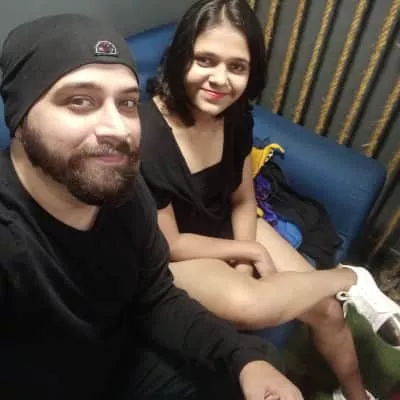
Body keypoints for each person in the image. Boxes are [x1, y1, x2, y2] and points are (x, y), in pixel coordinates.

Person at [0, 13, 308, 400]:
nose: (117, 129)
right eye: (80, 101)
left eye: (127, 103)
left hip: (122, 364)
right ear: (19, 118)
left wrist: (243, 358)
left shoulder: (124, 191)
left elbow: (155, 296)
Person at [139, 0, 400, 399]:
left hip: (225, 227)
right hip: (178, 253)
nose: (219, 79)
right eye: (205, 60)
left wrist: (245, 258)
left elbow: (243, 201)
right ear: (180, 58)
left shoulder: (235, 116)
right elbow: (172, 243)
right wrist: (247, 254)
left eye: (237, 67)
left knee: (327, 310)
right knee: (250, 305)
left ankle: (355, 393)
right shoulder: (148, 137)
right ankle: (350, 278)